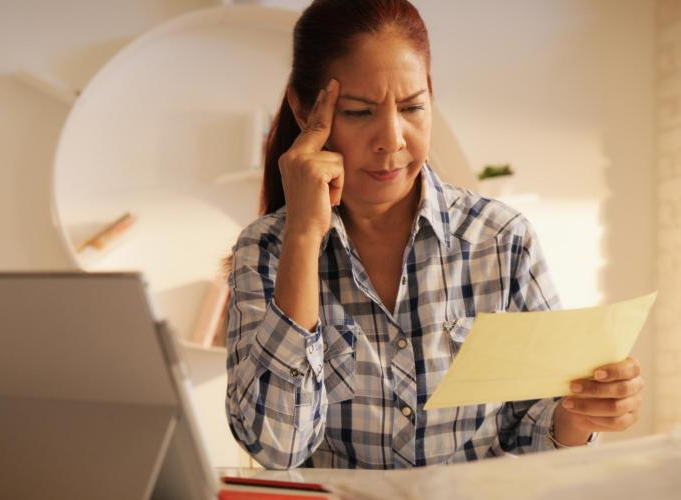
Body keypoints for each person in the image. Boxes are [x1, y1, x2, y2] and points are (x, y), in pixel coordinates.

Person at [225, 0, 644, 470]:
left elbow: (533, 434)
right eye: (360, 112)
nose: (392, 138)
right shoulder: (265, 250)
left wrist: (582, 411)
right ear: (306, 113)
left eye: (412, 107)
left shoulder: (502, 239)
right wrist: (303, 235)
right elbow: (275, 447)